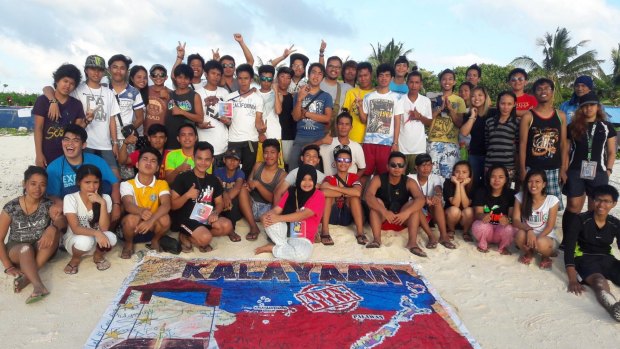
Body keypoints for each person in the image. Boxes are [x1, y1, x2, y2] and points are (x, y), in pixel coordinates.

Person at [44, 55, 122, 178]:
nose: (96, 72)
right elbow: (49, 88)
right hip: (84, 143)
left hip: (105, 144)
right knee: (86, 179)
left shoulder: (109, 93)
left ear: (104, 72)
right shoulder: (77, 89)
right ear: (86, 70)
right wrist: (53, 101)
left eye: (100, 69)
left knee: (114, 177)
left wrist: (115, 143)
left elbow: (112, 119)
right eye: (92, 68)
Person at [562, 91, 617, 247]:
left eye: (592, 105)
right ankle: (567, 239)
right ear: (580, 108)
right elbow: (565, 151)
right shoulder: (572, 126)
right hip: (575, 171)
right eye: (585, 106)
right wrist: (563, 170)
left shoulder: (606, 127)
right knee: (573, 206)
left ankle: (588, 239)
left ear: (598, 107)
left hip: (599, 172)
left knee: (594, 207)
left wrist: (608, 170)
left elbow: (612, 151)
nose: (589, 109)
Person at [0, 167, 61, 303]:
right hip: (18, 249)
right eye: (33, 184)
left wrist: (53, 227)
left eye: (42, 184)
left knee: (55, 232)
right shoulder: (11, 207)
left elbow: (61, 220)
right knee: (26, 248)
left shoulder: (48, 204)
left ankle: (27, 276)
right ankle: (38, 286)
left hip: (41, 248)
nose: (37, 188)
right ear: (24, 184)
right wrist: (8, 266)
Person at [46, 124, 121, 227]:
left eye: (75, 140)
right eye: (66, 139)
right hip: (71, 211)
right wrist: (59, 203)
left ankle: (105, 232)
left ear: (84, 145)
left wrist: (116, 204)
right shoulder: (53, 167)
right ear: (62, 142)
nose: (70, 144)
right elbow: (51, 194)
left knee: (111, 195)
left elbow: (114, 183)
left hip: (96, 207)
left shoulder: (97, 161)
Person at [564, 185, 620, 321]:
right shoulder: (580, 219)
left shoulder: (615, 223)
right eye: (598, 200)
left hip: (607, 258)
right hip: (584, 258)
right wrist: (572, 279)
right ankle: (614, 307)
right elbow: (569, 249)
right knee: (599, 282)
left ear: (614, 204)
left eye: (606, 201)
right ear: (593, 201)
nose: (601, 204)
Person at [170, 142, 235, 252]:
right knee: (205, 239)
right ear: (193, 158)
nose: (203, 163)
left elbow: (219, 203)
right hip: (186, 218)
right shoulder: (182, 177)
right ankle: (188, 234)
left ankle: (193, 236)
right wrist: (187, 195)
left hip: (204, 217)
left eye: (207, 159)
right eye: (199, 158)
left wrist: (215, 213)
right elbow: (172, 206)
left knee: (228, 226)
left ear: (212, 160)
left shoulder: (213, 180)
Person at [255, 164, 325, 262]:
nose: (307, 183)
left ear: (315, 180)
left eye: (311, 179)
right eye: (304, 179)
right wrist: (265, 216)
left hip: (302, 237)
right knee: (269, 219)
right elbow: (277, 210)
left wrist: (278, 218)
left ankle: (274, 248)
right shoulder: (291, 192)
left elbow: (302, 215)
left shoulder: (318, 195)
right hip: (286, 232)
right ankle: (285, 246)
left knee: (301, 256)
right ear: (299, 179)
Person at [364, 152, 427, 256]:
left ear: (404, 167)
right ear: (387, 166)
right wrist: (384, 212)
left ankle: (412, 243)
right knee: (377, 202)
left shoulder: (409, 181)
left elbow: (420, 199)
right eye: (393, 165)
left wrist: (406, 213)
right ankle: (376, 240)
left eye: (400, 165)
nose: (397, 168)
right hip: (383, 218)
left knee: (414, 205)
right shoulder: (378, 179)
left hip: (401, 217)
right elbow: (368, 196)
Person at [519, 78, 568, 211]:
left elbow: (563, 144)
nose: (543, 91)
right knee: (529, 205)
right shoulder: (528, 116)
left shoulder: (561, 116)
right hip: (532, 168)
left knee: (551, 207)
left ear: (552, 92)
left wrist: (563, 168)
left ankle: (547, 231)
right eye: (539, 89)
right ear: (534, 93)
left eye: (547, 88)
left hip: (553, 169)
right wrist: (523, 170)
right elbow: (522, 145)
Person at [62, 165, 117, 275]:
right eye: (87, 182)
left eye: (95, 182)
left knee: (112, 237)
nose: (92, 186)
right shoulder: (70, 198)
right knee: (85, 241)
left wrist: (102, 203)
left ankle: (98, 255)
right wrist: (97, 233)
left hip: (97, 243)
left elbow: (104, 228)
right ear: (79, 182)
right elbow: (76, 229)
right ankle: (76, 258)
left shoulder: (105, 198)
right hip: (76, 242)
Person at [118, 147, 171, 259]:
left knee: (165, 219)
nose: (148, 163)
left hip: (152, 225)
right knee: (132, 218)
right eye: (145, 159)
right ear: (137, 164)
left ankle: (155, 241)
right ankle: (128, 244)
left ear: (157, 168)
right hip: (133, 227)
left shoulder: (161, 183)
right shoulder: (127, 184)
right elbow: (128, 204)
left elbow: (167, 204)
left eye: (153, 161)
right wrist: (141, 211)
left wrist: (150, 221)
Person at [357, 63, 403, 184]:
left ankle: (381, 201)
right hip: (369, 143)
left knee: (384, 176)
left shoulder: (397, 97)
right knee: (364, 174)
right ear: (377, 78)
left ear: (392, 78)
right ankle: (359, 199)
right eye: (381, 75)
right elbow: (364, 119)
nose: (384, 78)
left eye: (387, 75)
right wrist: (359, 108)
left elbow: (397, 121)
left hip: (386, 144)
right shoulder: (368, 97)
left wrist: (395, 143)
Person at [33, 63, 85, 167]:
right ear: (57, 81)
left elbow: (76, 131)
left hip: (67, 155)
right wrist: (39, 154)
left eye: (72, 83)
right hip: (47, 154)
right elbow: (38, 128)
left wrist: (87, 121)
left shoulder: (76, 105)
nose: (67, 86)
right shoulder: (42, 101)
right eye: (65, 81)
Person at [223, 63, 265, 178]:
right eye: (240, 78)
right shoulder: (229, 97)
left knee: (247, 171)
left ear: (251, 79)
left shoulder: (258, 98)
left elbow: (258, 120)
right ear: (237, 79)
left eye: (246, 78)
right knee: (231, 170)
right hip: (233, 139)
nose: (243, 81)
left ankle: (244, 193)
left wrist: (261, 129)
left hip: (251, 140)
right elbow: (226, 120)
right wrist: (224, 119)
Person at [289, 63, 333, 170]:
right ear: (308, 74)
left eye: (320, 74)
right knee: (293, 171)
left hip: (318, 138)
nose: (316, 76)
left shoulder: (326, 96)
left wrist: (306, 114)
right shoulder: (299, 94)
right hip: (300, 138)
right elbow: (295, 117)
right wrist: (299, 99)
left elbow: (327, 118)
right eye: (313, 72)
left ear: (322, 77)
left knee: (315, 174)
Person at [108, 54, 145, 180]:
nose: (118, 71)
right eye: (115, 67)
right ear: (109, 69)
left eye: (122, 68)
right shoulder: (103, 89)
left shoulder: (134, 92)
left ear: (127, 71)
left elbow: (140, 118)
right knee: (108, 174)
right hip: (105, 139)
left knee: (126, 176)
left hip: (127, 139)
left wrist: (129, 130)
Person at [513, 169, 560, 268]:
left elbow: (550, 226)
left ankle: (545, 257)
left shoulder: (552, 200)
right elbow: (516, 221)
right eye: (530, 181)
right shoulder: (520, 197)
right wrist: (529, 229)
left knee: (540, 243)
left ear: (544, 184)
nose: (533, 185)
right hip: (528, 233)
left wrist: (535, 240)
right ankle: (529, 253)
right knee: (519, 235)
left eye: (537, 181)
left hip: (546, 236)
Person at [319, 146, 366, 246]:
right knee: (328, 197)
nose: (343, 163)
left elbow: (357, 193)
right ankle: (325, 231)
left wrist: (334, 188)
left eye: (346, 160)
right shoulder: (329, 178)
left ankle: (360, 232)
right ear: (335, 163)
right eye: (340, 160)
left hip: (348, 216)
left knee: (354, 197)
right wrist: (347, 192)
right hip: (332, 215)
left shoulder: (353, 177)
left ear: (350, 163)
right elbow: (322, 192)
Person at [408, 154, 456, 249]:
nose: (426, 168)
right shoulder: (410, 178)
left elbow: (438, 189)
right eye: (423, 165)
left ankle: (444, 236)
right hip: (416, 215)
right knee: (417, 204)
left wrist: (437, 196)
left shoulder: (435, 177)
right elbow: (411, 196)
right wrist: (424, 198)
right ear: (416, 167)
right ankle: (431, 236)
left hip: (432, 214)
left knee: (437, 202)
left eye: (429, 165)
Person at [213, 148, 259, 241]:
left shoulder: (239, 173)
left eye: (235, 160)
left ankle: (251, 227)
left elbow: (237, 187)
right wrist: (225, 195)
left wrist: (226, 198)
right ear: (224, 160)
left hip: (237, 206)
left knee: (239, 193)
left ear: (239, 162)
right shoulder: (218, 171)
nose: (232, 162)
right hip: (223, 204)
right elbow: (218, 186)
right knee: (216, 196)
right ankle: (230, 230)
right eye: (229, 159)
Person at [428, 69, 466, 180]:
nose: (447, 81)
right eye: (444, 79)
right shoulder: (432, 99)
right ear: (440, 82)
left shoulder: (459, 101)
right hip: (433, 141)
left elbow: (459, 123)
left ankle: (447, 198)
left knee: (449, 177)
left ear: (454, 82)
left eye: (450, 79)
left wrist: (450, 110)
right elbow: (428, 120)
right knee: (432, 176)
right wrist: (440, 109)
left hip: (452, 143)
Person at [471, 165, 517, 254]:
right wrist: (482, 216)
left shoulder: (511, 194)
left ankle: (503, 246)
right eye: (493, 177)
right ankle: (482, 244)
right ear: (488, 178)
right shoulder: (481, 191)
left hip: (500, 231)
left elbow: (511, 217)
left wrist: (508, 220)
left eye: (501, 177)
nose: (497, 180)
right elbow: (478, 213)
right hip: (486, 230)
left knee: (509, 229)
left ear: (506, 179)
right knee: (479, 225)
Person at [246, 139, 287, 231]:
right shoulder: (258, 165)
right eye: (266, 152)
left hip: (267, 209)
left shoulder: (282, 175)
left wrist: (258, 184)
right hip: (250, 206)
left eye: (272, 152)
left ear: (278, 155)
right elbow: (249, 183)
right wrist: (249, 186)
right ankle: (253, 227)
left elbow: (274, 199)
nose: (269, 156)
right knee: (242, 189)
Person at [397, 69, 432, 174]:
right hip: (401, 147)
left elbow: (429, 123)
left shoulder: (426, 101)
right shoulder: (399, 99)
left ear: (421, 84)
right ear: (407, 83)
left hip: (419, 148)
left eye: (417, 82)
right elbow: (396, 124)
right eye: (411, 82)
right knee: (400, 179)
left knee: (416, 180)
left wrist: (419, 117)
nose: (414, 85)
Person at [195, 60, 230, 165]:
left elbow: (228, 119)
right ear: (206, 74)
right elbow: (194, 118)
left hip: (222, 145)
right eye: (213, 73)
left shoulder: (224, 92)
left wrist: (226, 120)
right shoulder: (197, 93)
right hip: (203, 146)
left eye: (219, 74)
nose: (216, 77)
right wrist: (199, 124)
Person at [164, 63, 204, 150]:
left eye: (186, 78)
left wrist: (181, 111)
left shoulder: (195, 96)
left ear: (190, 80)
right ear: (175, 78)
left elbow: (200, 119)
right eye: (180, 77)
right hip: (170, 140)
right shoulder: (170, 95)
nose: (182, 81)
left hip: (188, 142)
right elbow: (168, 114)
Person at [316, 110, 366, 177]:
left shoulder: (357, 147)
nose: (343, 127)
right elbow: (304, 149)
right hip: (329, 185)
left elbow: (362, 168)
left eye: (347, 124)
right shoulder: (328, 142)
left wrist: (352, 181)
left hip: (347, 186)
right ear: (336, 126)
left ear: (351, 127)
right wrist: (322, 141)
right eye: (341, 124)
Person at [460, 86, 491, 187]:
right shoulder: (468, 114)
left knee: (489, 183)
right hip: (475, 154)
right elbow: (464, 132)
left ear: (485, 97)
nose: (476, 98)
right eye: (473, 96)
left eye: (480, 95)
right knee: (474, 183)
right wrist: (473, 116)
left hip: (491, 155)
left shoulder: (493, 113)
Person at [484, 91, 519, 182]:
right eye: (503, 103)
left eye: (509, 104)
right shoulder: (489, 122)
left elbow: (518, 146)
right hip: (490, 164)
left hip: (508, 166)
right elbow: (487, 143)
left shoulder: (516, 123)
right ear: (498, 103)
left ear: (514, 104)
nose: (506, 107)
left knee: (508, 192)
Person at [256, 65, 284, 167]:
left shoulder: (278, 94)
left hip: (275, 134)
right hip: (259, 136)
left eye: (269, 79)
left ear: (273, 80)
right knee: (260, 167)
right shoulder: (254, 93)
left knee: (277, 168)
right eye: (263, 78)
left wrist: (276, 91)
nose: (266, 82)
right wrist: (260, 133)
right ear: (259, 78)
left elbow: (278, 111)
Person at [342, 62, 375, 143]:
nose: (363, 79)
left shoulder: (376, 93)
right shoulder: (351, 92)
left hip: (370, 139)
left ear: (371, 75)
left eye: (365, 75)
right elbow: (345, 115)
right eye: (360, 76)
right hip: (352, 137)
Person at [443, 161, 475, 241]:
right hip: (451, 218)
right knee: (454, 210)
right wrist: (457, 184)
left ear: (469, 174)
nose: (460, 175)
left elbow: (465, 205)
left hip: (465, 219)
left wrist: (462, 185)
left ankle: (465, 232)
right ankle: (451, 230)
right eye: (457, 172)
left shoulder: (473, 184)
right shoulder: (448, 182)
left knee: (469, 210)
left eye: (464, 172)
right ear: (453, 172)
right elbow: (456, 204)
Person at [320, 55, 351, 135]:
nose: (334, 69)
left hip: (336, 135)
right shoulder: (317, 84)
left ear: (341, 70)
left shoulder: (347, 88)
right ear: (326, 68)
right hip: (316, 132)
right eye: (331, 66)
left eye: (338, 67)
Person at [274, 67, 296, 169]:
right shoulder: (271, 94)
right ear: (277, 78)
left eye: (288, 78)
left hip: (289, 137)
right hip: (274, 136)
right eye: (282, 76)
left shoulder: (293, 97)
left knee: (287, 166)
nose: (285, 80)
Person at [144, 64, 171, 133]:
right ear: (150, 77)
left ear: (166, 77)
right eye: (154, 75)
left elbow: (174, 110)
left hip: (162, 135)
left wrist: (168, 98)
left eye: (162, 75)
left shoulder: (171, 93)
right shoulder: (144, 90)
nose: (158, 77)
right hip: (145, 133)